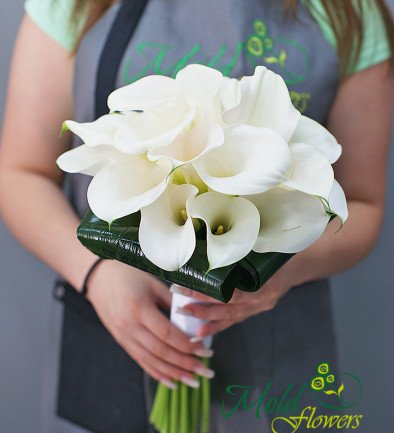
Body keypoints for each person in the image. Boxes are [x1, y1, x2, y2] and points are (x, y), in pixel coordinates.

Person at [0, 0, 392, 432]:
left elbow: (361, 204)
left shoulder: (350, 12)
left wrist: (278, 272)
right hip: (109, 337)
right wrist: (96, 273)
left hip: (274, 350)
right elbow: (21, 172)